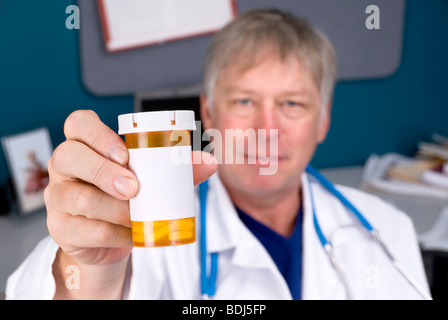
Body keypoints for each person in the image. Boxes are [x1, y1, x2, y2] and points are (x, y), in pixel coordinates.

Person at [6, 9, 429, 300]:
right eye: (244, 101)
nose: (267, 129)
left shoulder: (385, 229)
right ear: (208, 114)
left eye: (293, 104)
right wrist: (90, 267)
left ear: (323, 121)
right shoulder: (150, 232)